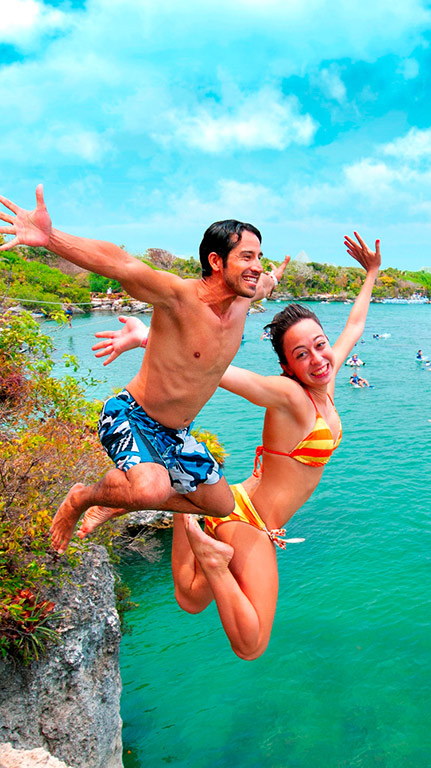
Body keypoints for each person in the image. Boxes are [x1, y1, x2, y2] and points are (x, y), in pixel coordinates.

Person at [90, 232, 381, 659]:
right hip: (251, 520)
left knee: (190, 597)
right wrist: (148, 338)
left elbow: (354, 325)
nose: (318, 358)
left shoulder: (328, 376)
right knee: (251, 645)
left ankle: (177, 503)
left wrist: (371, 273)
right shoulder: (289, 395)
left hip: (239, 499)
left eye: (320, 345)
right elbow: (217, 369)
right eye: (301, 354)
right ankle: (208, 552)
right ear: (287, 366)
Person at [0, 184, 289, 554]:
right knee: (151, 489)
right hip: (131, 415)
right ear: (217, 261)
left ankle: (121, 500)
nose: (257, 266)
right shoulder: (178, 297)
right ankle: (83, 497)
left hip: (176, 434)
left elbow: (266, 284)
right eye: (247, 257)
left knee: (221, 504)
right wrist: (51, 238)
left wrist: (275, 275)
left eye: (259, 256)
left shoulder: (246, 297)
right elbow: (121, 263)